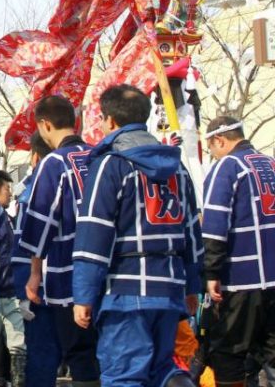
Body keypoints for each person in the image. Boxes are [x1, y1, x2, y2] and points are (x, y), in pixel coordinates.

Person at [72, 84, 203, 387]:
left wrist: (83, 294)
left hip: (125, 289)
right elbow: (192, 233)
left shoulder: (111, 164)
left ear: (111, 122)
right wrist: (192, 284)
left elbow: (94, 235)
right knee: (164, 370)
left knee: (124, 375)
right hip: (169, 288)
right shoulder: (177, 169)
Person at [21, 95, 99, 387]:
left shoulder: (54, 163)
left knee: (79, 355)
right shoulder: (101, 155)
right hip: (108, 273)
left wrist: (34, 273)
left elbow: (40, 222)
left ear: (45, 125)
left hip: (68, 274)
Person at [200, 115, 275, 386]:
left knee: (228, 354)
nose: (213, 154)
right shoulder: (271, 163)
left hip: (244, 279)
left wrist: (211, 272)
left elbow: (213, 226)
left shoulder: (229, 166)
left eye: (211, 148)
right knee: (269, 353)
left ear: (219, 140)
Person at [11, 133, 61, 387]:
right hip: (75, 283)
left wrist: (22, 288)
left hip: (39, 287)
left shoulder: (33, 190)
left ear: (35, 156)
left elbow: (25, 241)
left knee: (42, 353)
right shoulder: (80, 175)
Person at [0, 169, 26, 387]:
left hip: (10, 290)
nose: (10, 193)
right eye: (7, 188)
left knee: (18, 341)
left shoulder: (6, 218)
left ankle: (18, 380)